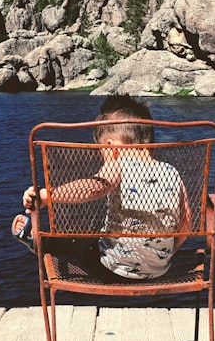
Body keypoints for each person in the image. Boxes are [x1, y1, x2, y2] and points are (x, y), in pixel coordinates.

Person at [13, 95, 191, 281]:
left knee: (74, 240)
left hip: (114, 271)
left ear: (110, 146)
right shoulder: (172, 171)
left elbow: (93, 187)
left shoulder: (118, 162)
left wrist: (47, 195)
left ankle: (37, 240)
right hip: (161, 270)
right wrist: (165, 254)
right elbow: (186, 224)